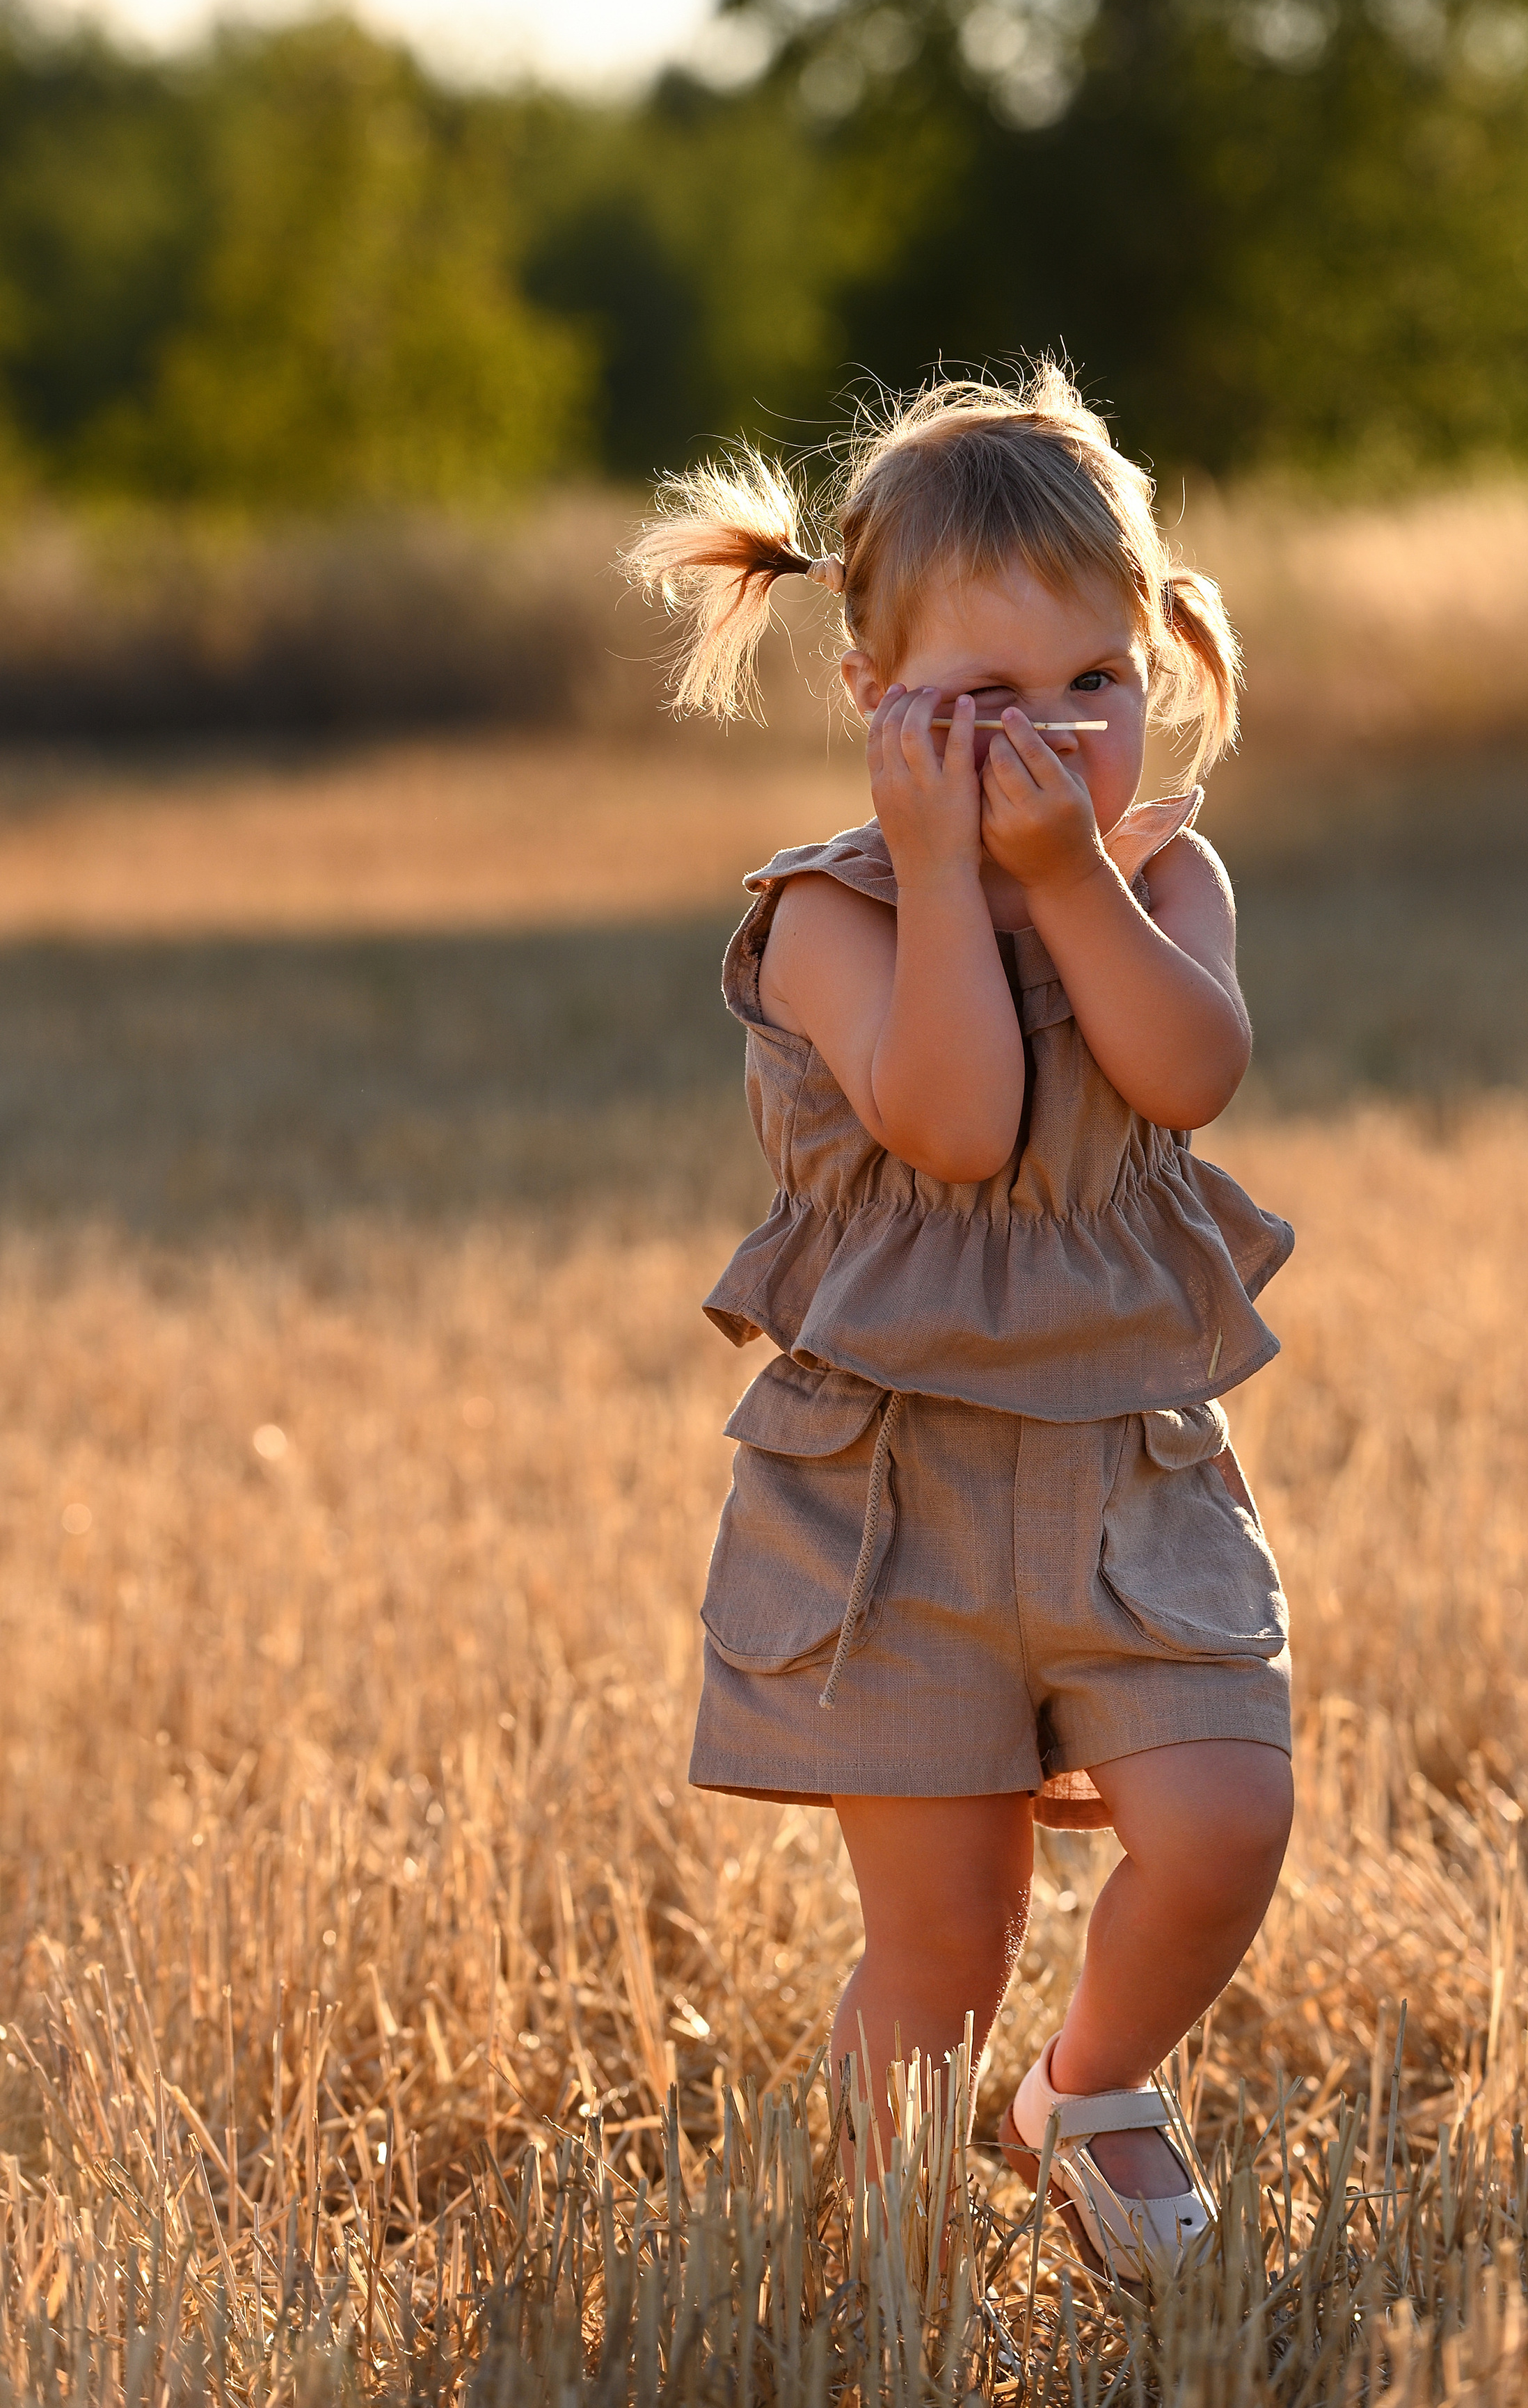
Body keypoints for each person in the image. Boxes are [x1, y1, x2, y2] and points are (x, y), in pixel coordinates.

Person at [629, 362, 1295, 2283]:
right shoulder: (831, 919)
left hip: (1130, 1475)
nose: (1048, 738)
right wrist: (946, 871)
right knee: (939, 1949)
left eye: (1092, 684)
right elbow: (957, 1120)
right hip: (895, 1510)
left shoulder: (1162, 876)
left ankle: (1085, 2092)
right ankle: (872, 2279)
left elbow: (1186, 1076)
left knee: (1227, 1820)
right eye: (982, 700)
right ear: (871, 696)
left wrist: (1070, 875)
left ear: (1155, 666)